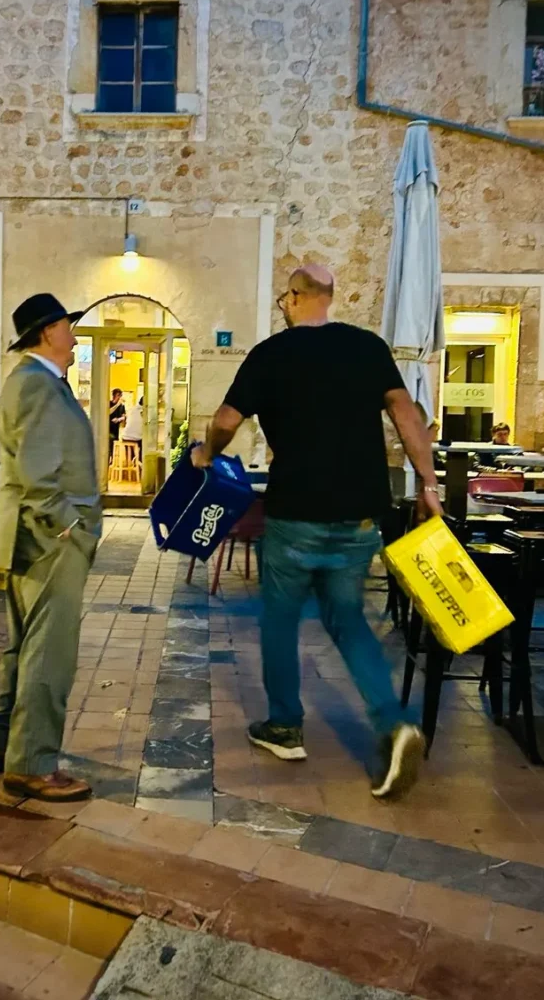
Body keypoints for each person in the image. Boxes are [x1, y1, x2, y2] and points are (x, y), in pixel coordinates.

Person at [192, 264, 442, 800]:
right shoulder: (368, 347)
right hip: (360, 515)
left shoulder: (271, 354)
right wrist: (428, 483)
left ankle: (284, 726)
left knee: (280, 619)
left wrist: (207, 452)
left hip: (297, 513)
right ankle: (393, 723)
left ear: (295, 298)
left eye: (284, 299)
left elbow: (228, 419)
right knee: (348, 619)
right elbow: (406, 414)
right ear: (330, 297)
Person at [0, 293, 102, 802]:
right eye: (69, 327)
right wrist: (69, 527)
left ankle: (2, 743)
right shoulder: (38, 385)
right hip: (49, 538)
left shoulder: (31, 382)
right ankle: (32, 764)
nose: (74, 337)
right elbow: (38, 474)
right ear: (49, 331)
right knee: (49, 652)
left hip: (31, 534)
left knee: (23, 646)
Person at [121, 395, 143, 460]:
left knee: (130, 443)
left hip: (125, 436)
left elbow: (127, 421)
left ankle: (130, 460)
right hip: (137, 438)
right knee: (146, 444)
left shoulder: (132, 409)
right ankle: (140, 461)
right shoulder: (145, 411)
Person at [109, 389, 126, 462]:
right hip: (108, 428)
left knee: (113, 445)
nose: (119, 397)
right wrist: (117, 405)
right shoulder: (109, 403)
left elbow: (123, 417)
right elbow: (108, 412)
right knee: (108, 444)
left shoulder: (122, 406)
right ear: (114, 395)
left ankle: (112, 461)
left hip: (116, 429)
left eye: (120, 395)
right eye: (118, 395)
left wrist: (118, 419)